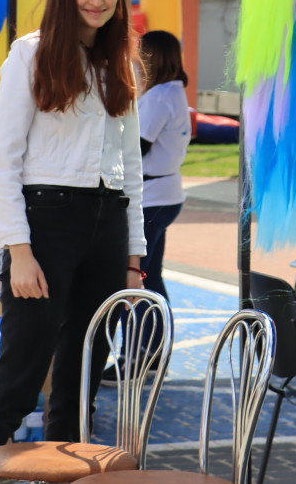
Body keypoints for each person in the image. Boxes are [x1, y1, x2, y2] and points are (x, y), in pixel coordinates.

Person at [0, 0, 146, 484]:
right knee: (18, 382)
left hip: (106, 227)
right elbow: (2, 163)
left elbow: (129, 169)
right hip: (46, 225)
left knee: (82, 385)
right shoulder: (29, 54)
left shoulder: (120, 62)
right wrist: (19, 252)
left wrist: (133, 258)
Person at [103, 30, 190, 383]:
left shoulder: (159, 97)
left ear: (151, 59)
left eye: (139, 56)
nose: (134, 62)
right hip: (166, 195)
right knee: (151, 277)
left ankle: (135, 357)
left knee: (133, 278)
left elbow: (135, 149)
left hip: (152, 198)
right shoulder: (174, 92)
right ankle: (153, 353)